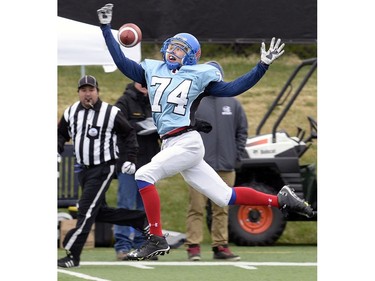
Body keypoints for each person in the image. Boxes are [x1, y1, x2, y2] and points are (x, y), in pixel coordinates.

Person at [97, 3, 314, 261]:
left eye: (181, 49)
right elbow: (121, 61)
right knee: (225, 196)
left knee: (144, 174)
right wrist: (105, 28)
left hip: (186, 143)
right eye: (173, 46)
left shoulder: (199, 75)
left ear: (192, 56)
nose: (174, 51)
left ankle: (155, 238)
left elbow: (233, 88)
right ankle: (281, 200)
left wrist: (262, 66)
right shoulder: (153, 70)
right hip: (171, 143)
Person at [57, 75, 150, 268]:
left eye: (91, 90)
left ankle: (73, 254)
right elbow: (61, 134)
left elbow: (128, 133)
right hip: (83, 169)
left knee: (86, 209)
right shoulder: (71, 112)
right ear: (79, 93)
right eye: (84, 90)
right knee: (98, 212)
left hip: (104, 167)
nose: (87, 94)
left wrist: (130, 158)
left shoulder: (111, 112)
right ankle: (139, 219)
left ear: (98, 92)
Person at [185, 61, 246, 261]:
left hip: (226, 166)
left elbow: (241, 132)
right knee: (196, 207)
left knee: (222, 208)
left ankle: (220, 246)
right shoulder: (194, 101)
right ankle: (193, 246)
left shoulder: (233, 102)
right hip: (199, 165)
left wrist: (235, 155)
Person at [113, 81, 160, 261]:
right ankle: (123, 246)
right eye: (141, 81)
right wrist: (140, 126)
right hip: (129, 162)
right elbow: (118, 125)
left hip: (149, 163)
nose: (145, 85)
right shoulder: (124, 102)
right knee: (125, 204)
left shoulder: (155, 101)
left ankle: (143, 245)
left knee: (146, 206)